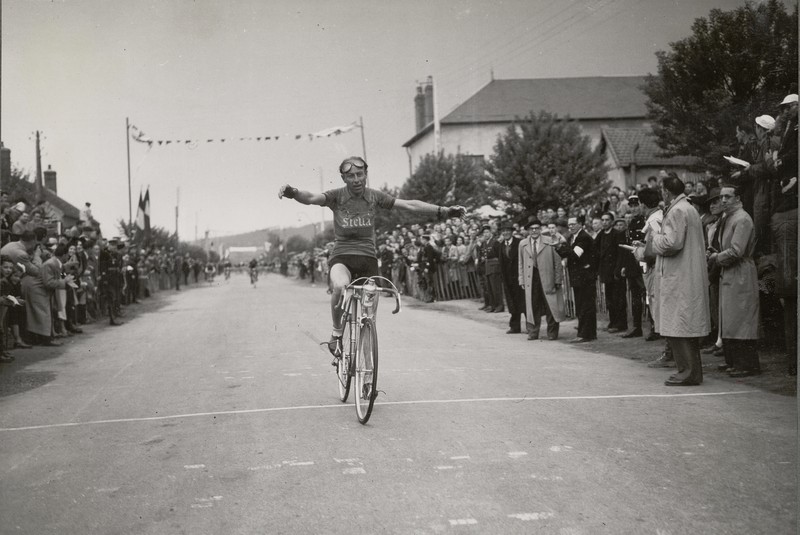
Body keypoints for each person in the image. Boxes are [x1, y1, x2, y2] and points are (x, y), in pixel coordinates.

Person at [278, 156, 465, 361]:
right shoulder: (336, 196)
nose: (356, 179)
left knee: (369, 317)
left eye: (360, 174)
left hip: (368, 258)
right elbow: (311, 197)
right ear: (344, 178)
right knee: (340, 286)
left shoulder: (374, 196)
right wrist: (292, 192)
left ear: (366, 174)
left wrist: (444, 211)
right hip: (342, 256)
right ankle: (337, 333)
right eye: (351, 176)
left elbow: (410, 205)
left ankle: (367, 372)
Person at [646, 175, 710, 386]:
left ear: (666, 191)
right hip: (684, 273)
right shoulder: (686, 208)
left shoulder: (677, 210)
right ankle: (689, 371)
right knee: (683, 324)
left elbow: (671, 243)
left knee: (679, 325)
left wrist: (654, 236)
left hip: (679, 275)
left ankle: (687, 371)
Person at [709, 185, 760, 377]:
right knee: (730, 319)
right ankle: (733, 360)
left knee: (742, 319)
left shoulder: (742, 219)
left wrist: (717, 257)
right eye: (721, 197)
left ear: (737, 198)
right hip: (730, 273)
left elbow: (737, 251)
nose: (723, 200)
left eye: (727, 197)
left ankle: (747, 364)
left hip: (741, 273)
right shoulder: (729, 218)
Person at [519, 219, 565, 340]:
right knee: (532, 305)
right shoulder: (523, 244)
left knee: (551, 305)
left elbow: (557, 262)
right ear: (528, 231)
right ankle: (533, 332)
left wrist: (558, 279)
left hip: (547, 277)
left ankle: (552, 332)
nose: (534, 231)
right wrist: (522, 280)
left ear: (540, 229)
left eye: (536, 228)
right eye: (531, 229)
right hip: (531, 278)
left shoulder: (550, 242)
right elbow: (520, 263)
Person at [557, 217, 596, 342]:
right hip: (578, 277)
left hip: (585, 277)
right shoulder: (572, 238)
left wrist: (563, 244)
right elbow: (566, 254)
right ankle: (585, 332)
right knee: (581, 304)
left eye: (573, 224)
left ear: (580, 224)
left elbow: (574, 255)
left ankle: (585, 334)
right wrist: (558, 246)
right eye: (569, 225)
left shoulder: (583, 237)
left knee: (585, 305)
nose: (571, 227)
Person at [498, 221, 525, 334]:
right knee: (512, 302)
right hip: (508, 278)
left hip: (520, 277)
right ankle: (515, 326)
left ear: (512, 232)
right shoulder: (500, 246)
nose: (506, 233)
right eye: (504, 231)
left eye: (508, 231)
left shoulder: (519, 243)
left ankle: (531, 325)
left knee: (524, 301)